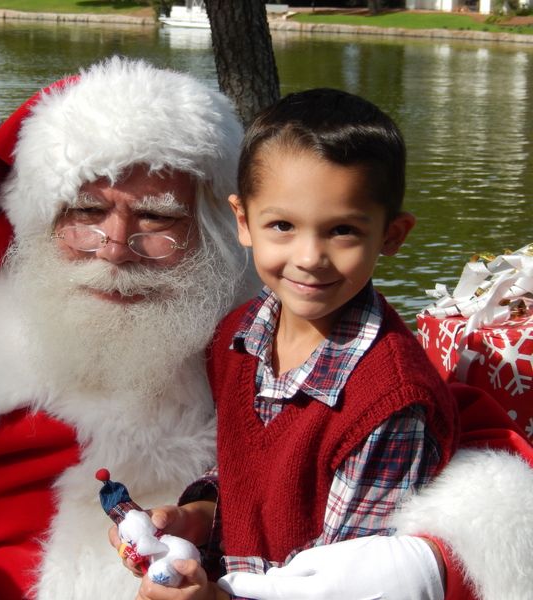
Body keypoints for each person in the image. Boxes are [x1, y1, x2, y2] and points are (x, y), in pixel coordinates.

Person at [0, 58, 532, 600]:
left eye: (159, 218)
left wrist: (446, 551)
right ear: (39, 221)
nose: (117, 244)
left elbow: (448, 430)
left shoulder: (267, 327)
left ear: (212, 227)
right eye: (86, 212)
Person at [125, 87, 460, 600]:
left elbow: (355, 582)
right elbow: (245, 471)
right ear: (243, 221)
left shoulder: (390, 404)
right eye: (282, 225)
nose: (309, 257)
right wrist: (198, 517)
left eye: (342, 230)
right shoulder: (238, 335)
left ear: (392, 235)